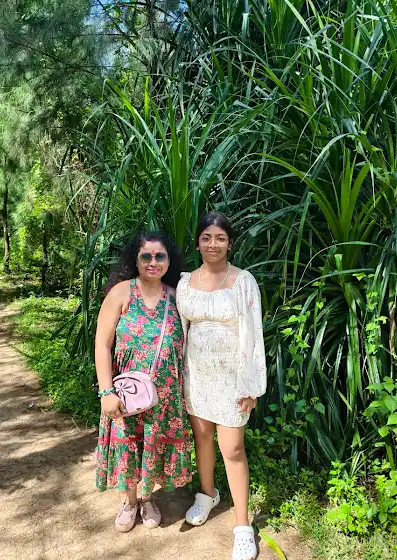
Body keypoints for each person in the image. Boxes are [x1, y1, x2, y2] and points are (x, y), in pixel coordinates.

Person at [176, 213, 267, 560]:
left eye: (220, 238)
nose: (212, 244)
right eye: (206, 237)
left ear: (230, 243)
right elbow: (180, 332)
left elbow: (253, 334)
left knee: (233, 448)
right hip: (196, 376)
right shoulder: (186, 282)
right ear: (197, 243)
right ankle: (207, 494)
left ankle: (243, 527)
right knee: (202, 438)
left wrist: (250, 386)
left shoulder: (243, 281)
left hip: (231, 379)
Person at [95, 231, 192, 533]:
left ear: (169, 260)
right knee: (129, 443)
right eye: (146, 256)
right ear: (134, 260)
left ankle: (147, 499)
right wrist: (106, 391)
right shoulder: (121, 293)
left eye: (160, 256)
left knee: (153, 445)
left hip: (165, 396)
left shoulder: (176, 296)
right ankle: (129, 501)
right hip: (126, 393)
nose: (153, 262)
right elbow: (102, 344)